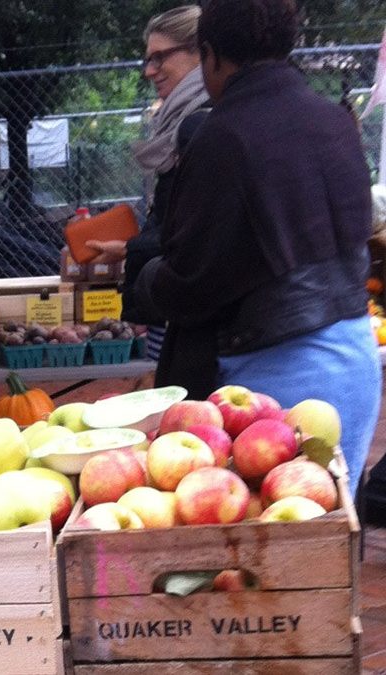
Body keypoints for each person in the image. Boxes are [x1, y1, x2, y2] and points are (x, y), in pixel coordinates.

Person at [135, 0, 380, 495]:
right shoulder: (333, 120)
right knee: (329, 545)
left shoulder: (222, 135)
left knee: (264, 557)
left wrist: (143, 277)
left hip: (276, 379)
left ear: (212, 55)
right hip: (354, 360)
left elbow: (193, 280)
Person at [85, 5, 210, 380]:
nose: (149, 70)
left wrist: (134, 249)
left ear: (201, 51)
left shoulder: (204, 123)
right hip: (169, 302)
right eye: (148, 59)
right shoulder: (178, 120)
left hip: (193, 315)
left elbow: (195, 235)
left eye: (160, 58)